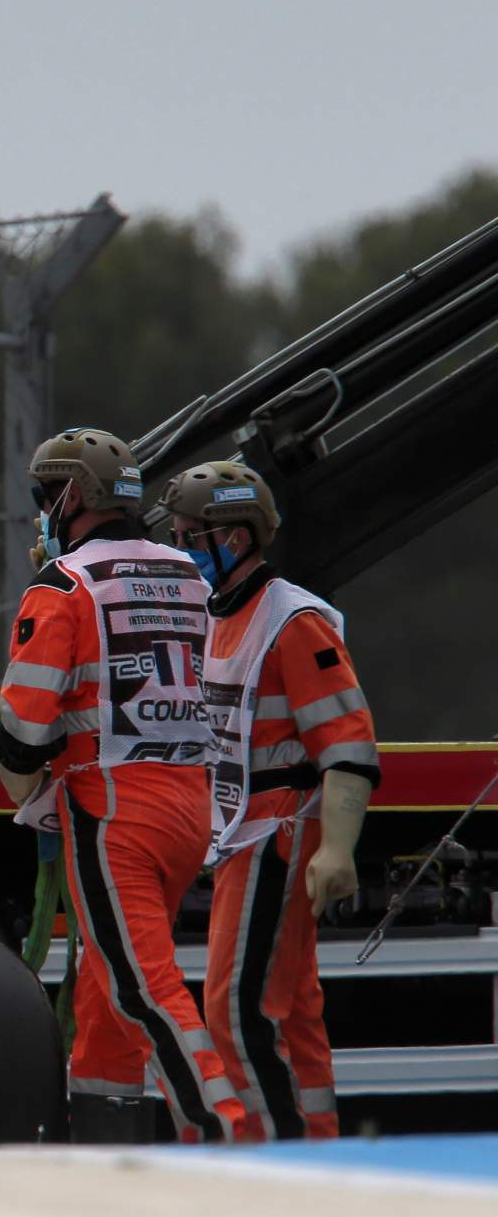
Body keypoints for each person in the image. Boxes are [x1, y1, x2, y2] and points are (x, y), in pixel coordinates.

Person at [0, 427, 247, 1143]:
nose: (44, 509)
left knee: (141, 987)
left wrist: (24, 791)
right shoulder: (192, 576)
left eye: (47, 495)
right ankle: (106, 1142)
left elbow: (23, 730)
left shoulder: (64, 585)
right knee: (110, 993)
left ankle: (223, 1134)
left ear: (74, 494)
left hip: (112, 811)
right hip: (189, 803)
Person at [161, 461, 377, 1141]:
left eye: (196, 534)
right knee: (292, 1008)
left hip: (276, 832)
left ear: (241, 536)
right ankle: (318, 1141)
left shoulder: (293, 621)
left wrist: (337, 846)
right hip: (245, 832)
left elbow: (347, 738)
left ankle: (274, 1153)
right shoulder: (218, 614)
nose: (185, 548)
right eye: (178, 534)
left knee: (236, 1006)